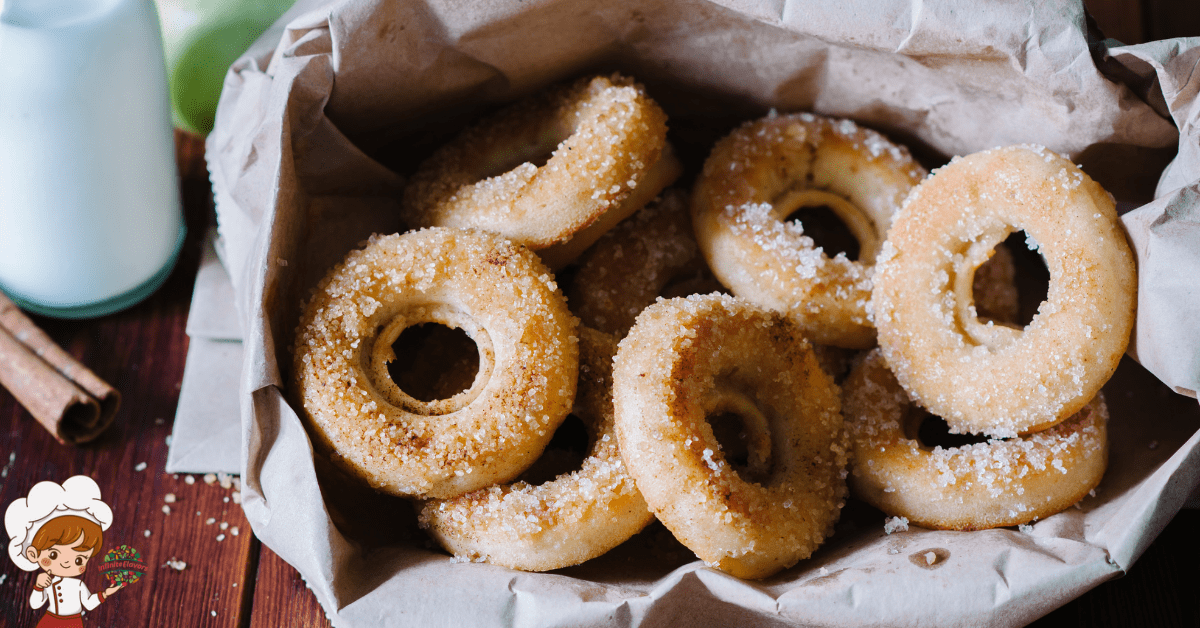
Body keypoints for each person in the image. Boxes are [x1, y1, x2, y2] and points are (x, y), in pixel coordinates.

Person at [5, 476, 129, 627]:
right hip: (49, 621)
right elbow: (35, 604)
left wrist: (106, 593)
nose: (65, 562)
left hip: (74, 623)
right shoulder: (48, 582)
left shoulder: (78, 585)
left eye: (79, 559)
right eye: (54, 554)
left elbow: (88, 604)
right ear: (33, 554)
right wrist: (39, 587)